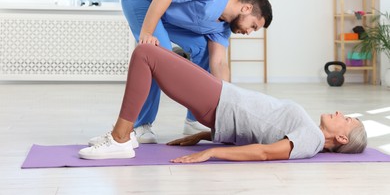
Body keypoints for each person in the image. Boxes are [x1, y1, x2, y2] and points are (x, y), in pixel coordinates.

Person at [79, 44, 367, 162]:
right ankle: (123, 136)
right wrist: (205, 136)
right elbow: (260, 131)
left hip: (219, 100)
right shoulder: (309, 133)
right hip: (221, 98)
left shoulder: (312, 139)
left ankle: (120, 138)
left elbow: (266, 152)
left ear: (341, 137)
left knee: (146, 54)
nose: (341, 113)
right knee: (148, 56)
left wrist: (212, 154)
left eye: (347, 119)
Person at [120, 0, 273, 143]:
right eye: (253, 26)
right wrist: (147, 33)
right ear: (246, 8)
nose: (249, 32)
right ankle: (141, 125)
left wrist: (230, 106)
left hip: (165, 15)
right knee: (158, 55)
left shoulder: (222, 29)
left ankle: (193, 119)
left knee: (205, 50)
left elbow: (220, 64)